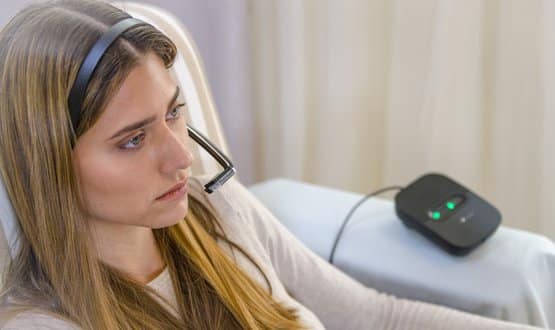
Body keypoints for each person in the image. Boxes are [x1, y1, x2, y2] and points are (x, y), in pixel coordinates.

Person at [0, 0, 545, 329]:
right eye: (132, 140)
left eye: (172, 113)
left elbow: (373, 317)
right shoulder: (45, 322)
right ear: (48, 165)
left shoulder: (213, 206)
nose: (181, 157)